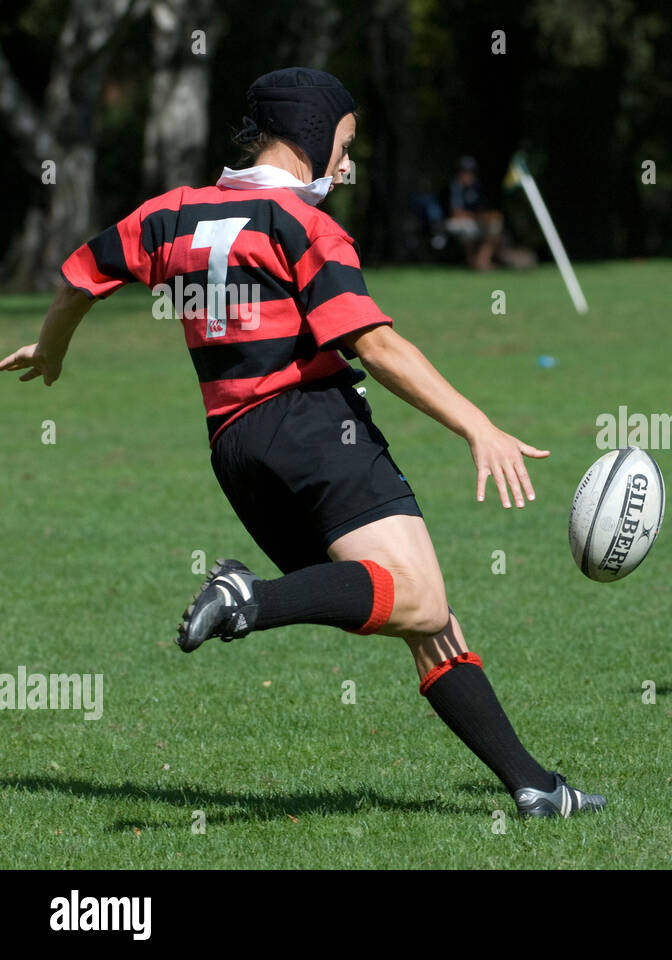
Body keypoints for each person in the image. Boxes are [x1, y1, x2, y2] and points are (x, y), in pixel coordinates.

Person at [1, 67, 604, 818]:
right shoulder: (305, 226)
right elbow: (375, 345)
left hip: (237, 452)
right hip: (317, 429)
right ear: (311, 136)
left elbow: (81, 277)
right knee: (417, 597)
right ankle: (248, 597)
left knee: (422, 618)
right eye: (343, 146)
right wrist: (477, 427)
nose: (347, 165)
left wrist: (53, 349)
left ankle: (537, 787)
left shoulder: (172, 213)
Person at [444, 156, 504, 270]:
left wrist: (488, 216)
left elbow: (483, 209)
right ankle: (472, 262)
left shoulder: (477, 187)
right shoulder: (454, 187)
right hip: (457, 223)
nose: (468, 175)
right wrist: (479, 217)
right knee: (466, 229)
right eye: (464, 172)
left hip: (476, 222)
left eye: (471, 172)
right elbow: (456, 213)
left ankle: (482, 261)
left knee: (495, 225)